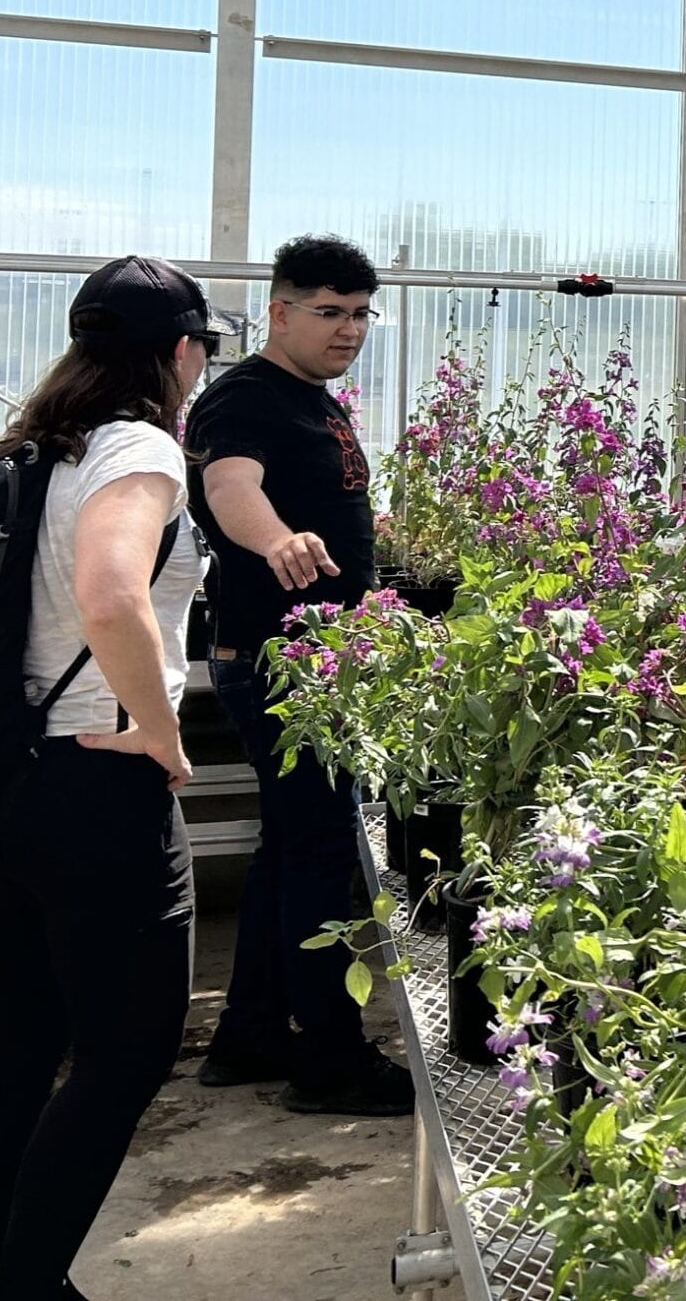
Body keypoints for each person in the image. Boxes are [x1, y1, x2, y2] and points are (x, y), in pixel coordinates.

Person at [0, 257, 210, 1300]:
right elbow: (113, 595)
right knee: (126, 1050)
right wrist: (160, 733)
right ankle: (23, 1290)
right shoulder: (139, 443)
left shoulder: (25, 451)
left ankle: (15, 1276)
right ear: (182, 351)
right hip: (100, 781)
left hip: (13, 780)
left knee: (22, 1037)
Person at [187, 234, 412, 1116]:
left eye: (360, 313)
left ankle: (247, 1036)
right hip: (283, 668)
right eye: (329, 312)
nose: (348, 329)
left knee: (290, 850)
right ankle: (328, 1059)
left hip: (321, 662)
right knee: (321, 859)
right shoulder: (244, 397)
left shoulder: (317, 402)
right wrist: (276, 537)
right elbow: (231, 488)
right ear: (279, 312)